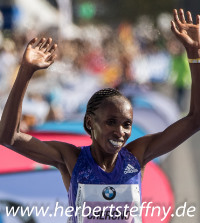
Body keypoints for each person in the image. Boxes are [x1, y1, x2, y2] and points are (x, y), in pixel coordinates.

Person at [0, 9, 200, 222]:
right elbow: (8, 137)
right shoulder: (71, 158)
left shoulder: (136, 155)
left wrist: (195, 55)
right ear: (89, 123)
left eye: (127, 124)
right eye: (111, 122)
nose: (120, 132)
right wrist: (25, 72)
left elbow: (195, 119)